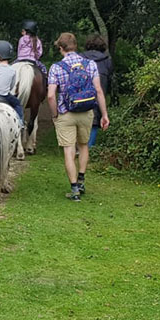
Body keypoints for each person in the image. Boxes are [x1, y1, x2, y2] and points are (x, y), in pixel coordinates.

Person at [46, 33, 109, 201]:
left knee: (69, 150)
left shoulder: (56, 67)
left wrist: (54, 115)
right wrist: (104, 115)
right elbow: (98, 91)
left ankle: (74, 190)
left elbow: (51, 96)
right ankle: (81, 179)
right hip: (87, 112)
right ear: (75, 46)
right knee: (83, 146)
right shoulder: (90, 64)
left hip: (66, 113)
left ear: (61, 48)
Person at [80, 33, 114, 148]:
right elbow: (110, 77)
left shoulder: (80, 58)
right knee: (95, 118)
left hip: (82, 92)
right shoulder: (107, 60)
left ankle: (78, 145)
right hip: (99, 93)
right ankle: (89, 147)